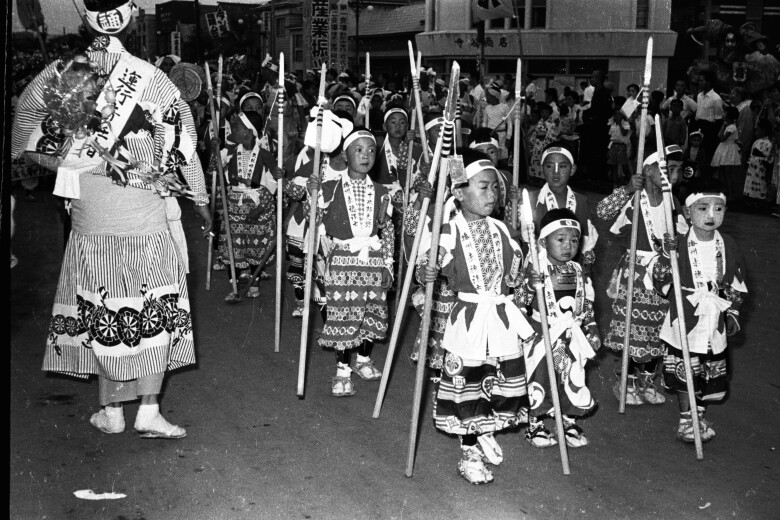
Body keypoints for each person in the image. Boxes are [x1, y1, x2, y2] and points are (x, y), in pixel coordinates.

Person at [12, 0, 212, 438]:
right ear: (131, 14)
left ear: (87, 19)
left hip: (91, 212)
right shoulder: (152, 76)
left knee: (103, 305)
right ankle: (148, 410)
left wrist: (74, 160)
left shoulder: (62, 74)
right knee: (152, 307)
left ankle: (113, 412)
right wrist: (198, 196)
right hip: (144, 209)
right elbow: (182, 143)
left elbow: (26, 135)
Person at [419, 152, 534, 485]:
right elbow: (433, 260)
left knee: (499, 379)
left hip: (500, 318)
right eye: (483, 187)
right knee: (468, 385)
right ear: (459, 192)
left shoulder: (503, 229)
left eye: (495, 188)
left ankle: (484, 428)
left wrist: (527, 274)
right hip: (470, 320)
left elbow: (515, 272)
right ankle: (469, 450)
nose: (492, 194)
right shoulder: (449, 229)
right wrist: (429, 268)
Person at [653, 178, 747, 443]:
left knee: (706, 371)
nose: (711, 215)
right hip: (686, 315)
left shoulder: (728, 243)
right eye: (703, 208)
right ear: (687, 212)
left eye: (718, 209)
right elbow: (659, 279)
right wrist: (666, 255)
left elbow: (737, 281)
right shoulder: (678, 243)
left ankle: (699, 415)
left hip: (715, 316)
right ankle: (687, 419)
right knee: (686, 370)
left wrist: (733, 311)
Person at [305, 128, 394, 396]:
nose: (366, 155)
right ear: (345, 155)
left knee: (372, 311)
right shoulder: (329, 188)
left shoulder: (382, 192)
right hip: (342, 262)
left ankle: (363, 360)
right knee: (343, 314)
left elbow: (387, 230)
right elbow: (314, 221)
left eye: (371, 150)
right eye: (359, 149)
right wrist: (312, 196)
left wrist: (388, 264)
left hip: (373, 260)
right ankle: (343, 371)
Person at [596, 147, 686, 406]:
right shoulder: (634, 196)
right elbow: (602, 212)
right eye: (668, 170)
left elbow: (683, 233)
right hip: (636, 272)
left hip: (664, 273)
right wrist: (626, 189)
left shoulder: (672, 201)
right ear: (647, 169)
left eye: (678, 171)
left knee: (658, 328)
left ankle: (647, 381)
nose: (674, 176)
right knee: (634, 327)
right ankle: (626, 381)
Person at [515, 209, 600, 448]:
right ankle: (535, 423)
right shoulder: (536, 268)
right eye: (560, 239)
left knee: (572, 377)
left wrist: (592, 326)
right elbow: (520, 300)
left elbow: (586, 302)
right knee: (540, 378)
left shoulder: (578, 270)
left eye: (574, 240)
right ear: (543, 242)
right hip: (543, 334)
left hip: (571, 336)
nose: (568, 246)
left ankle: (567, 419)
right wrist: (530, 286)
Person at [214, 111, 297, 301]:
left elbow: (274, 183)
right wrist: (215, 150)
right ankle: (234, 286)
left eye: (237, 127)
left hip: (257, 204)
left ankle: (254, 283)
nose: (233, 130)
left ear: (249, 132)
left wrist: (278, 175)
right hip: (234, 204)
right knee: (233, 245)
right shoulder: (230, 151)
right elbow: (214, 167)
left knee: (255, 245)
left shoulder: (265, 155)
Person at [515, 144, 598, 270]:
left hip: (572, 269)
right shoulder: (531, 200)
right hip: (538, 268)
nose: (556, 172)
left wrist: (585, 270)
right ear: (542, 168)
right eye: (549, 166)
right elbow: (521, 235)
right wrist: (513, 203)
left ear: (572, 169)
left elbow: (587, 241)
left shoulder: (581, 201)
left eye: (562, 166)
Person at [710, 106, 743, 200]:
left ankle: (730, 194)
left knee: (727, 173)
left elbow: (722, 138)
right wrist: (723, 126)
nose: (723, 114)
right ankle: (722, 191)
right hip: (724, 148)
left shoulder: (731, 127)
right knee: (722, 171)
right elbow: (719, 135)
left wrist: (724, 126)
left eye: (725, 112)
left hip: (728, 149)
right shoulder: (727, 125)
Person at [742, 120, 775, 208]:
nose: (756, 132)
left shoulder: (769, 143)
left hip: (761, 167)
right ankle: (751, 200)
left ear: (764, 131)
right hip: (753, 167)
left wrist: (766, 162)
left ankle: (760, 201)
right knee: (751, 182)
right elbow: (752, 154)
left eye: (758, 130)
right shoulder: (756, 141)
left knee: (760, 184)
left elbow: (770, 158)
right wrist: (748, 162)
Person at [694, 71, 724, 167]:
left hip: (710, 129)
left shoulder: (716, 98)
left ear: (709, 82)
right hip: (698, 126)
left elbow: (719, 119)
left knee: (707, 155)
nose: (700, 83)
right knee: (695, 154)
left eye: (702, 81)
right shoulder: (699, 96)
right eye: (699, 81)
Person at [607, 103, 632, 186]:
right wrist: (608, 148)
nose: (617, 116)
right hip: (613, 145)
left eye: (619, 114)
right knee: (613, 166)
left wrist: (620, 124)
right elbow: (611, 137)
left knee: (624, 165)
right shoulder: (612, 124)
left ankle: (629, 181)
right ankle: (615, 184)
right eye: (615, 114)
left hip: (622, 146)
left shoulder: (625, 123)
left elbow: (624, 133)